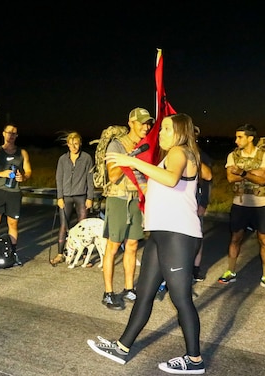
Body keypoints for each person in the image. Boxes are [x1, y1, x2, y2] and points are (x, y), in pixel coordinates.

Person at [88, 113, 205, 375]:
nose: (159, 133)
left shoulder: (178, 152)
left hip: (179, 235)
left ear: (179, 132)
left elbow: (171, 179)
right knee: (144, 293)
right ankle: (122, 347)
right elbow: (163, 186)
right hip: (161, 235)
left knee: (181, 298)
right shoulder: (170, 155)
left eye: (164, 129)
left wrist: (132, 161)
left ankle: (195, 360)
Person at [100, 108, 153, 310]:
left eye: (148, 123)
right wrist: (131, 158)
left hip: (137, 199)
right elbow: (113, 175)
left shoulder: (145, 145)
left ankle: (129, 289)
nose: (146, 127)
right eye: (142, 123)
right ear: (131, 122)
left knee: (132, 246)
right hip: (118, 198)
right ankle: (108, 293)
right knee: (113, 247)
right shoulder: (117, 144)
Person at [217, 124, 265, 290]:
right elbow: (230, 177)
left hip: (261, 204)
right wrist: (254, 173)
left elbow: (263, 180)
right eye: (236, 137)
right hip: (240, 203)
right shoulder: (232, 155)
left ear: (250, 138)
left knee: (264, 239)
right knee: (235, 238)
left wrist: (243, 172)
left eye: (240, 137)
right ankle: (230, 271)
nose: (236, 140)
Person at [0, 123, 32, 265]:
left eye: (14, 133)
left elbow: (28, 171)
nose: (11, 135)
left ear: (16, 136)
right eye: (8, 132)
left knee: (13, 224)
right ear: (3, 134)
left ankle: (12, 253)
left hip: (14, 192)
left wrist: (23, 177)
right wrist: (1, 173)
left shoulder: (22, 153)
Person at [51, 131, 94, 266]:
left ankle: (85, 256)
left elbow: (90, 178)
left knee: (83, 226)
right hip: (66, 196)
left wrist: (90, 197)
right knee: (64, 225)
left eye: (76, 144)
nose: (74, 147)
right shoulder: (63, 159)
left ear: (80, 144)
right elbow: (59, 178)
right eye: (71, 144)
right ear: (68, 145)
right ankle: (60, 254)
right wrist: (59, 197)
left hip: (81, 196)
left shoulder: (86, 158)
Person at [192, 126, 213, 282]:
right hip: (180, 201)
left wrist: (204, 202)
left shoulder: (202, 157)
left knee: (197, 235)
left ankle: (195, 269)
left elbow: (207, 181)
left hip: (196, 199)